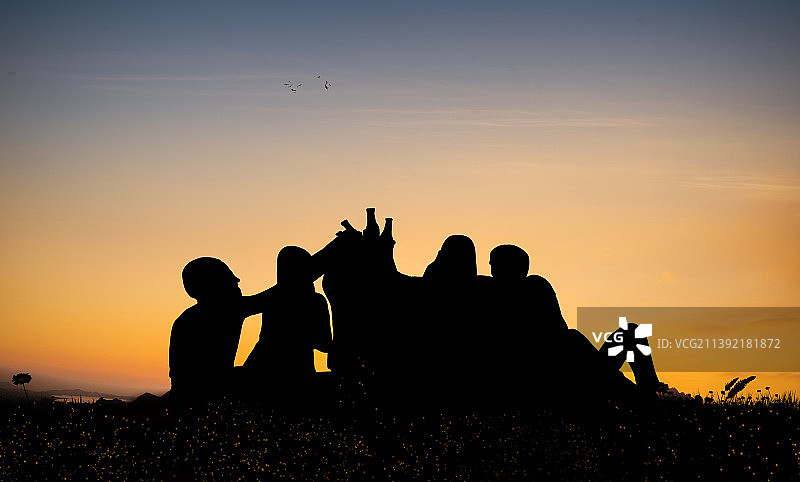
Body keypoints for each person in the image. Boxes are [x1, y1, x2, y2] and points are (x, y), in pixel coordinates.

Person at [244, 246, 332, 403]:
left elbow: (323, 344)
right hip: (293, 370)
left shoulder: (273, 296)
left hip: (266, 367)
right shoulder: (314, 301)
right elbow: (323, 344)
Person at [169, 257, 248, 405]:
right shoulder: (229, 310)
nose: (238, 281)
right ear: (214, 286)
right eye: (229, 278)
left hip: (192, 399)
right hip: (202, 401)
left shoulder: (185, 320)